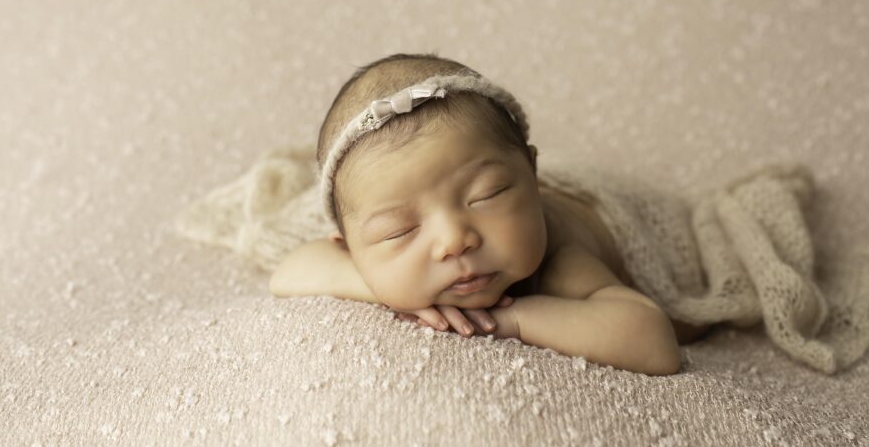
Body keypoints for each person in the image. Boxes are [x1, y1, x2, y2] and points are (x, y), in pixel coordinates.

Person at [269, 52, 708, 376]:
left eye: (487, 195)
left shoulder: (560, 260)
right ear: (348, 248)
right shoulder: (370, 245)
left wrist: (510, 320)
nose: (454, 240)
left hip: (602, 207)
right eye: (399, 230)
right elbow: (288, 272)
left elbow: (654, 343)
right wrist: (387, 286)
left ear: (532, 176)